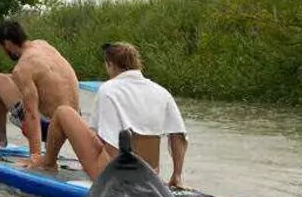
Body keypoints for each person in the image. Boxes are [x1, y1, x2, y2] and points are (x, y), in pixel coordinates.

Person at [36, 42, 189, 188]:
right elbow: (179, 136)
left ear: (110, 64)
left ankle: (48, 164)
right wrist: (177, 174)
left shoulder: (108, 89)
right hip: (149, 175)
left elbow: (99, 138)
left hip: (113, 175)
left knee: (63, 112)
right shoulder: (162, 92)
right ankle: (176, 178)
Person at [0, 20, 81, 169]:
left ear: (6, 44)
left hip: (51, 128)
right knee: (5, 79)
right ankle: (2, 137)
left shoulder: (23, 68)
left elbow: (31, 113)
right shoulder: (44, 46)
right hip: (73, 125)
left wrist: (36, 156)